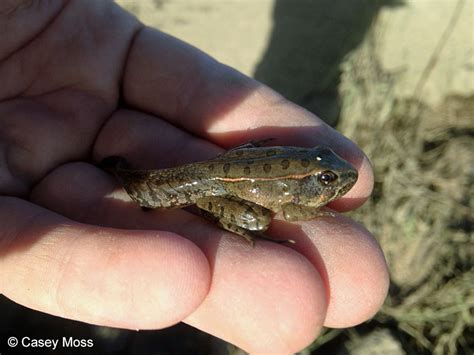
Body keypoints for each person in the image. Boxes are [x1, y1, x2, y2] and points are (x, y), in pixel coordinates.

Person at [0, 1, 389, 353]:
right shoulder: (303, 194)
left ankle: (129, 175)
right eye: (325, 177)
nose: (336, 177)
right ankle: (139, 181)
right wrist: (316, 212)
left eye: (326, 175)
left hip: (228, 170)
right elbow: (291, 207)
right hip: (222, 182)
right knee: (256, 219)